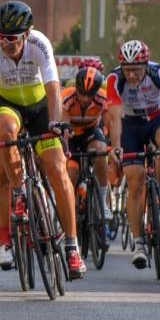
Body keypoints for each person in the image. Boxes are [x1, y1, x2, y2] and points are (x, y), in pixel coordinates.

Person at [0, 0, 86, 279]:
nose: (6, 43)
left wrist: (56, 123)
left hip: (40, 107)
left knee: (58, 170)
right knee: (3, 129)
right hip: (7, 105)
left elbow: (53, 88)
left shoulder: (39, 44)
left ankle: (72, 248)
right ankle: (20, 192)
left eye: (12, 38)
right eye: (1, 37)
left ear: (27, 33)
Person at [105, 39, 160, 270]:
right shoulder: (114, 79)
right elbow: (115, 116)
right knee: (135, 180)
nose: (133, 75)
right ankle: (138, 243)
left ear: (146, 65)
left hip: (157, 119)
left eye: (137, 70)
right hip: (131, 126)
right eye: (128, 70)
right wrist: (116, 145)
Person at [62, 67, 111, 220]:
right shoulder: (66, 97)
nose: (84, 98)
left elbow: (111, 122)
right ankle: (67, 209)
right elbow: (63, 124)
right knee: (72, 173)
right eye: (81, 93)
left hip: (90, 133)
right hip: (70, 136)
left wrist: (113, 142)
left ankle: (102, 201)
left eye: (89, 95)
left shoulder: (102, 98)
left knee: (101, 152)